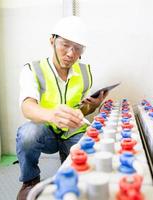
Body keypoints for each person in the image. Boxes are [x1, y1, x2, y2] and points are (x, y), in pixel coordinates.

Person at [16, 16, 108, 200]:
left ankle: (68, 160)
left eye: (77, 48)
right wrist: (51, 115)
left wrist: (93, 106)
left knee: (90, 153)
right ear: (52, 40)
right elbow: (27, 106)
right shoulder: (33, 69)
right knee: (27, 134)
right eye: (65, 45)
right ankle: (30, 181)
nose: (70, 54)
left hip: (73, 131)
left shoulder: (85, 72)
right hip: (47, 132)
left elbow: (82, 110)